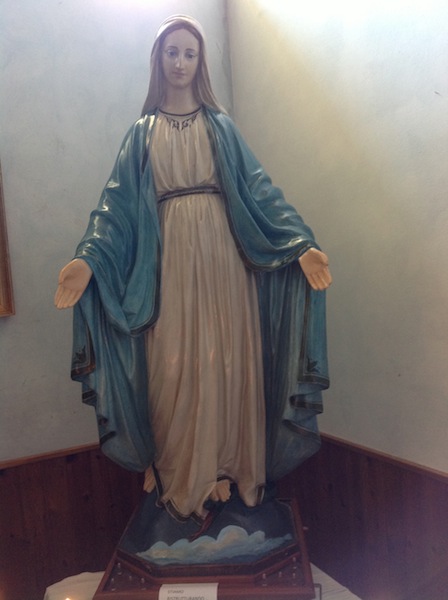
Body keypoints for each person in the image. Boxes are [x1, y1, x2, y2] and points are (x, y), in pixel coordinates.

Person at [55, 15, 332, 524]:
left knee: (229, 359)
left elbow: (260, 191)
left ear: (200, 61)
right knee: (172, 365)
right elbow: (114, 209)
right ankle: (181, 477)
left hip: (226, 261)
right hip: (168, 267)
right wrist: (88, 258)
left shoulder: (220, 126)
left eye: (189, 53)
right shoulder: (141, 134)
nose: (180, 62)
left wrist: (299, 244)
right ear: (157, 59)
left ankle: (232, 471)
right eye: (171, 52)